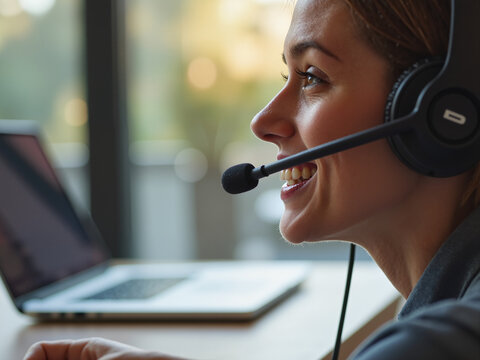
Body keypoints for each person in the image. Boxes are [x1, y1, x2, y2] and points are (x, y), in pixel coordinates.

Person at [23, 0, 480, 359]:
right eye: (288, 74)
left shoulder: (438, 343)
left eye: (313, 77)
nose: (263, 121)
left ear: (444, 114)